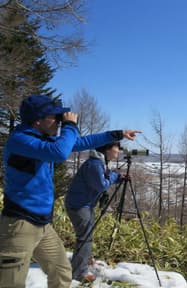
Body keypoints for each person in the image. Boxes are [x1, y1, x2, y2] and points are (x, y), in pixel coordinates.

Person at [0, 94, 141, 288]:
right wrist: (70, 126)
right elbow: (59, 153)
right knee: (11, 283)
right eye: (55, 117)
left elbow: (80, 143)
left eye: (61, 118)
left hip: (42, 225)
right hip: (19, 224)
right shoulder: (20, 140)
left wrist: (117, 134)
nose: (59, 121)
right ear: (38, 120)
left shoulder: (42, 139)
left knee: (62, 272)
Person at [65, 141, 123, 282]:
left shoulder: (99, 162)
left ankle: (85, 262)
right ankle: (79, 273)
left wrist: (115, 177)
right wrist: (115, 176)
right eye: (117, 147)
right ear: (107, 149)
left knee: (87, 236)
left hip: (84, 204)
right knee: (85, 238)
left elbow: (101, 180)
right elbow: (101, 185)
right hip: (79, 205)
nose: (119, 150)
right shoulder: (95, 164)